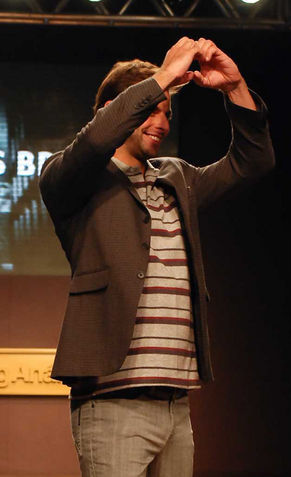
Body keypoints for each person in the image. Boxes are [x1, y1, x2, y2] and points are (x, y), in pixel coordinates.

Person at [40, 37, 275, 477]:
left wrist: (235, 87)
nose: (163, 123)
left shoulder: (177, 178)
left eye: (168, 112)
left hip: (175, 404)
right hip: (112, 403)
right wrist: (164, 75)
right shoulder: (70, 177)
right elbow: (92, 145)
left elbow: (253, 161)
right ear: (114, 108)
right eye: (152, 109)